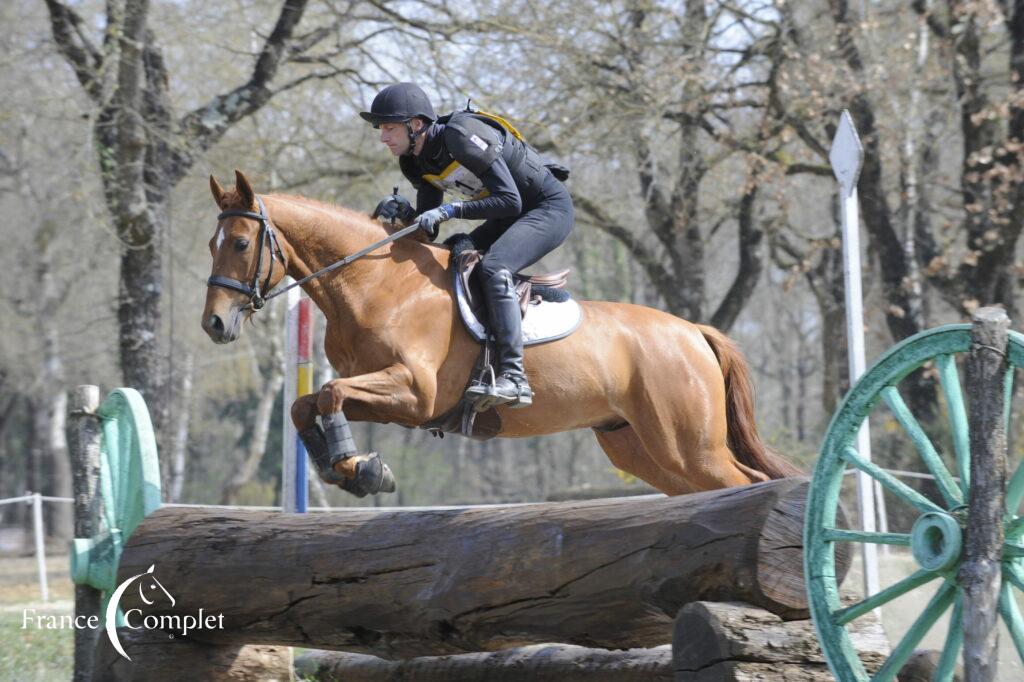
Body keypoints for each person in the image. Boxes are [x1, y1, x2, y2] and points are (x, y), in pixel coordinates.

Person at [361, 82, 574, 409]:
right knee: (448, 260)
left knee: (493, 267)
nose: (383, 137)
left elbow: (510, 201)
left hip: (545, 209)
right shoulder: (413, 161)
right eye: (381, 129)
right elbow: (427, 230)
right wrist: (405, 214)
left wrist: (451, 209)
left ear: (416, 125)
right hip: (511, 214)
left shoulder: (459, 137)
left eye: (389, 128)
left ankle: (515, 378)